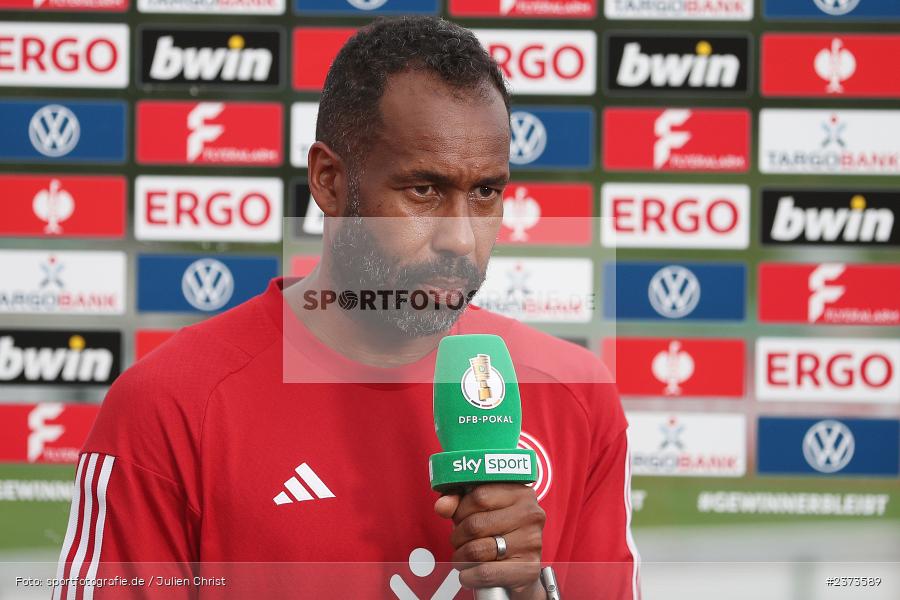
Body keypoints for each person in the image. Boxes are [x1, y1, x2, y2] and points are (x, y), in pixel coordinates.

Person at [53, 16, 639, 600]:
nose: (461, 238)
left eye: (485, 192)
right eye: (424, 190)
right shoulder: (172, 404)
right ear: (330, 181)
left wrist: (529, 592)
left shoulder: (574, 394)